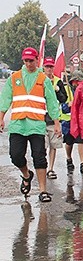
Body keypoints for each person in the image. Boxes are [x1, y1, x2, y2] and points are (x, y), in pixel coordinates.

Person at [0, 47, 61, 203]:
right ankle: (27, 175)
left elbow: (52, 102)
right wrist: (1, 117)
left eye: (31, 61)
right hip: (18, 125)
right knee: (16, 156)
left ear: (36, 60)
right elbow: (5, 98)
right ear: (23, 61)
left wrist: (56, 122)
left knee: (39, 158)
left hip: (36, 125)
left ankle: (43, 190)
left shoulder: (43, 80)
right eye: (26, 61)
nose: (28, 63)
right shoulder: (15, 78)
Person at [41, 57, 67, 180]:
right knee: (42, 146)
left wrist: (57, 91)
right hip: (40, 118)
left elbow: (64, 99)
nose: (49, 69)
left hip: (54, 119)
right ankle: (43, 167)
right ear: (43, 68)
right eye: (47, 67)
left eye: (51, 67)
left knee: (53, 145)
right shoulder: (39, 80)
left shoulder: (58, 81)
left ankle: (51, 168)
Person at [61, 71, 83, 174]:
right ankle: (69, 158)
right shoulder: (66, 90)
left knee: (81, 141)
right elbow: (62, 107)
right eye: (76, 81)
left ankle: (82, 163)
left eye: (79, 81)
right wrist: (68, 105)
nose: (77, 84)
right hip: (68, 122)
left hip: (80, 121)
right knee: (69, 142)